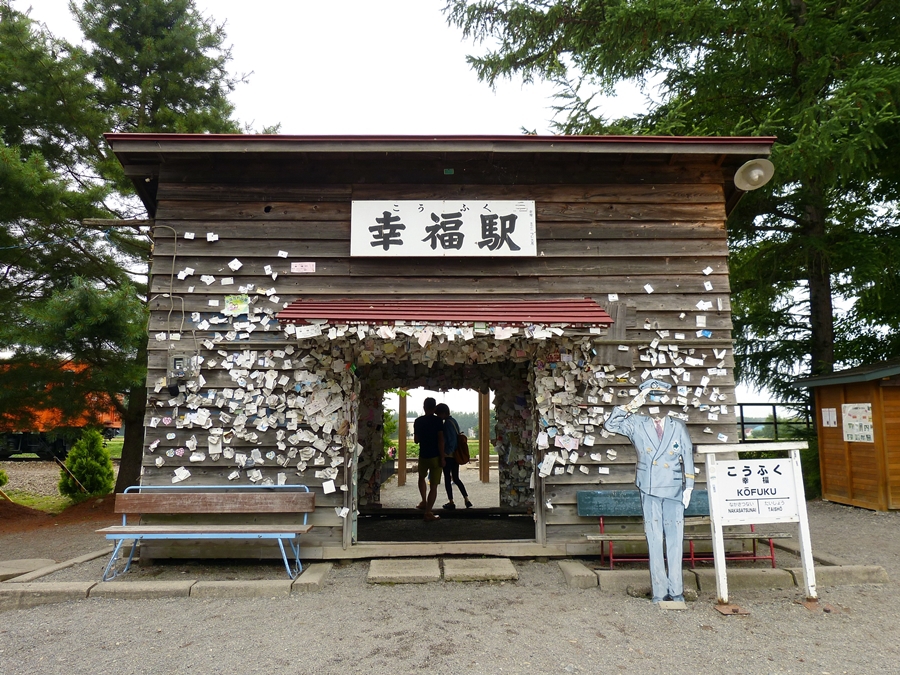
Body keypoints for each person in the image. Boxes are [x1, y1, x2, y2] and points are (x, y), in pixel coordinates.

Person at [603, 379, 695, 604]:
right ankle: (659, 591)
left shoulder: (677, 425)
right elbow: (610, 425)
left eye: (660, 397)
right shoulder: (636, 422)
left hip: (674, 488)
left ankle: (676, 591)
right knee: (654, 539)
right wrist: (634, 402)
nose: (657, 402)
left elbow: (688, 456)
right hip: (649, 486)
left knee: (675, 540)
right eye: (652, 397)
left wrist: (689, 486)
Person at [435, 403, 472, 510]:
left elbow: (450, 440)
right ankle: (466, 499)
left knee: (447, 479)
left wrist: (446, 453)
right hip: (456, 455)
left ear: (443, 413)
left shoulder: (446, 424)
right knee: (456, 478)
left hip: (449, 455)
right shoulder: (454, 421)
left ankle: (451, 502)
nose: (438, 416)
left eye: (438, 414)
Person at [413, 397, 445, 521]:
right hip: (436, 456)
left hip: (423, 454)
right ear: (435, 408)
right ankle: (428, 512)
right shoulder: (438, 421)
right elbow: (440, 440)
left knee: (421, 478)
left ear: (424, 407)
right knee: (434, 486)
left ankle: (423, 501)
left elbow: (416, 440)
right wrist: (443, 457)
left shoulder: (418, 421)